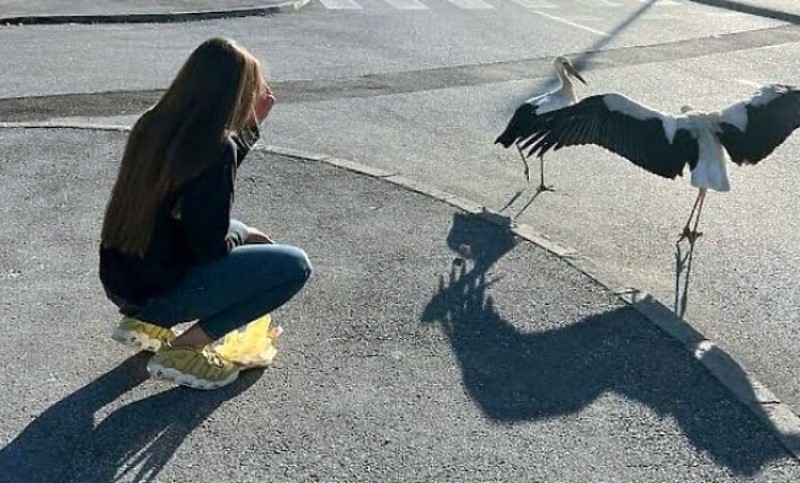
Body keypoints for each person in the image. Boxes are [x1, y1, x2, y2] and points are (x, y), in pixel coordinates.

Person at [99, 37, 312, 390]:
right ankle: (185, 348)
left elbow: (202, 190)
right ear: (235, 94)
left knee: (245, 231)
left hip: (124, 281)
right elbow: (209, 246)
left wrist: (246, 134)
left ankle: (144, 323)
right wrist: (244, 233)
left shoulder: (151, 122)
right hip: (161, 286)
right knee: (293, 265)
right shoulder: (216, 146)